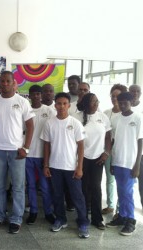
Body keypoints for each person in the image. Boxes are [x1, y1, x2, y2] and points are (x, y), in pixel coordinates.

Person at [0, 71, 34, 234]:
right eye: (2, 81)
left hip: (17, 152)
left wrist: (26, 148)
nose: (5, 84)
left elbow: (30, 126)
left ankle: (16, 218)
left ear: (14, 83)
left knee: (18, 187)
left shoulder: (22, 102)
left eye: (8, 81)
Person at [41, 92, 90, 239]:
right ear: (55, 105)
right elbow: (46, 146)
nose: (61, 106)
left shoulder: (75, 123)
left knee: (77, 197)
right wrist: (46, 165)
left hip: (71, 168)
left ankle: (83, 223)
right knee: (57, 195)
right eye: (59, 103)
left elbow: (81, 146)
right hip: (55, 167)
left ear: (69, 105)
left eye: (64, 104)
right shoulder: (49, 123)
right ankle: (61, 219)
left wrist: (80, 167)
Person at [106, 92, 143, 236]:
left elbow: (140, 142)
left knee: (127, 192)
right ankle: (122, 216)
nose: (122, 105)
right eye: (119, 102)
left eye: (125, 103)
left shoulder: (138, 117)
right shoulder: (115, 119)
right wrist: (111, 162)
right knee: (121, 191)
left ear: (131, 102)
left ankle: (131, 221)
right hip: (117, 161)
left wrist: (137, 165)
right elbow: (114, 141)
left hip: (130, 162)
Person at [73, 93, 111, 230]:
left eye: (97, 101)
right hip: (81, 158)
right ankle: (82, 217)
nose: (97, 104)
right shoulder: (76, 118)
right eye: (94, 102)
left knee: (96, 188)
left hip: (98, 159)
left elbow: (108, 136)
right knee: (82, 189)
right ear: (86, 103)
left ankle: (97, 219)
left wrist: (106, 152)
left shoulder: (102, 117)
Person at [25, 85, 56, 225]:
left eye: (39, 93)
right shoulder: (25, 110)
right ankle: (33, 211)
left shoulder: (49, 111)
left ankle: (48, 212)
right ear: (29, 95)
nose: (37, 96)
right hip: (27, 154)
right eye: (34, 94)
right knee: (30, 185)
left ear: (41, 95)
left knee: (45, 186)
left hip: (43, 155)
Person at [102, 84, 128, 214]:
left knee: (121, 182)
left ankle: (119, 209)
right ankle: (110, 205)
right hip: (108, 152)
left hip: (121, 152)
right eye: (112, 96)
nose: (114, 98)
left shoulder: (126, 114)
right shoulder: (106, 113)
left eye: (117, 96)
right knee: (109, 179)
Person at [129, 84, 143, 214]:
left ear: (141, 93)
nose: (135, 93)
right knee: (126, 183)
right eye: (133, 91)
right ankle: (123, 209)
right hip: (128, 151)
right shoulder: (125, 106)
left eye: (138, 91)